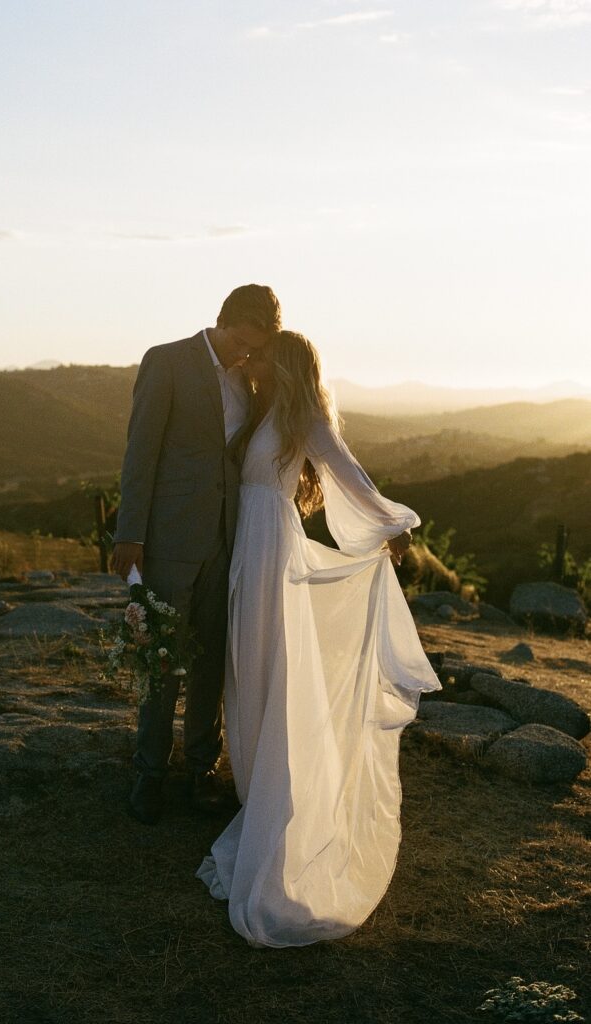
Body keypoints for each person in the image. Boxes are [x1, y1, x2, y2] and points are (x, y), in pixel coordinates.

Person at [196, 330, 442, 947]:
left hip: (272, 548)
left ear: (289, 366)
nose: (257, 363)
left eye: (267, 356)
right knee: (245, 670)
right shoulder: (258, 409)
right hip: (245, 550)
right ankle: (254, 794)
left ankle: (276, 809)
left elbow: (346, 468)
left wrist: (392, 521)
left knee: (269, 667)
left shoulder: (304, 414)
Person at [111, 284, 282, 824]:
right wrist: (129, 533)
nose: (244, 356)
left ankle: (201, 771)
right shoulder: (167, 362)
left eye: (254, 349)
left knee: (211, 660)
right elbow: (141, 450)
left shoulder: (251, 379)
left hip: (229, 541)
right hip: (169, 538)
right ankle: (149, 774)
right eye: (241, 344)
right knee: (161, 658)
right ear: (222, 322)